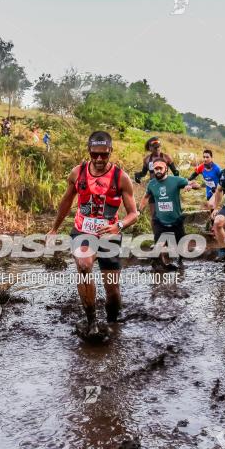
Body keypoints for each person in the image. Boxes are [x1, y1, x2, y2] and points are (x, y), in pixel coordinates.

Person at [47, 131, 139, 337]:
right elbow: (65, 202)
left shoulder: (121, 178)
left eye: (104, 155)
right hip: (83, 231)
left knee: (113, 293)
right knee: (84, 264)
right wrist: (54, 228)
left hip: (109, 235)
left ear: (110, 152)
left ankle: (113, 323)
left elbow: (134, 214)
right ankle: (91, 321)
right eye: (94, 154)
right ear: (89, 151)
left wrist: (119, 226)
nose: (99, 159)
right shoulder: (77, 173)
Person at [140, 159, 200, 270]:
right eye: (155, 168)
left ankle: (179, 261)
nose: (157, 171)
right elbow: (146, 197)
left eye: (160, 168)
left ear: (166, 169)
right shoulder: (152, 184)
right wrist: (140, 210)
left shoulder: (176, 180)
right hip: (160, 221)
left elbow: (197, 185)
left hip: (176, 220)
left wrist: (191, 186)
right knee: (159, 243)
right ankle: (158, 264)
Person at [189, 149, 223, 231]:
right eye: (204, 157)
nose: (205, 159)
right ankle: (213, 226)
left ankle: (216, 227)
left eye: (207, 157)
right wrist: (188, 180)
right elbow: (194, 174)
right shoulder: (201, 167)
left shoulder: (217, 168)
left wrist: (218, 187)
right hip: (209, 191)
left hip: (218, 191)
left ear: (211, 158)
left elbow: (223, 179)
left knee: (212, 206)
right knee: (211, 209)